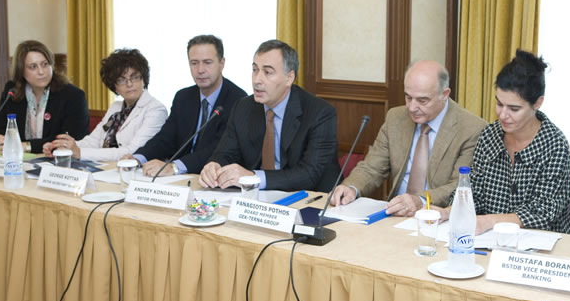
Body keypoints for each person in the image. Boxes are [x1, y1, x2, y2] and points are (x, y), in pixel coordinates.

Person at [437, 50, 570, 235]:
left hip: (548, 242)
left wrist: (489, 221)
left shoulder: (555, 145)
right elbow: (475, 193)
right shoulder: (489, 135)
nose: (503, 115)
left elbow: (543, 212)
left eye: (514, 109)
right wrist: (449, 211)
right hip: (493, 240)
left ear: (537, 103)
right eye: (499, 104)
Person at [330, 60, 486, 216]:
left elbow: (460, 185)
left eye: (422, 101)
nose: (412, 107)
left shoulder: (471, 128)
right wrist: (352, 187)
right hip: (394, 214)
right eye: (408, 97)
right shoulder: (395, 117)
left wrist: (420, 200)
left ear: (444, 94)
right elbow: (372, 167)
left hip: (437, 216)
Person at [198, 39, 341, 192]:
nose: (257, 80)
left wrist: (254, 178)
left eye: (267, 72)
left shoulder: (319, 113)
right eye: (255, 70)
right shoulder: (243, 107)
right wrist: (214, 165)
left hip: (311, 198)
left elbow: (309, 174)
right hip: (257, 198)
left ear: (289, 78)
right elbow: (225, 153)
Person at [125, 35, 247, 175]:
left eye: (207, 62)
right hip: (180, 178)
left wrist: (175, 167)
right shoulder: (183, 97)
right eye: (194, 63)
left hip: (213, 177)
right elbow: (165, 138)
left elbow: (219, 149)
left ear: (222, 63)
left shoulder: (239, 100)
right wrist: (138, 158)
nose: (200, 70)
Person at [42, 49, 167, 161]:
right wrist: (61, 147)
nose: (129, 84)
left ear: (143, 79)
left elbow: (132, 151)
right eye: (122, 80)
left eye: (134, 77)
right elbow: (93, 141)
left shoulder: (156, 110)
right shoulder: (116, 107)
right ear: (114, 86)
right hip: (106, 168)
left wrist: (79, 152)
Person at [0, 40, 89, 154]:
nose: (41, 71)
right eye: (33, 67)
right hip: (17, 158)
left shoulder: (73, 95)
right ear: (21, 70)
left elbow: (71, 138)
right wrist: (2, 142)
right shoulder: (12, 90)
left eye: (45, 64)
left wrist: (26, 146)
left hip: (57, 160)